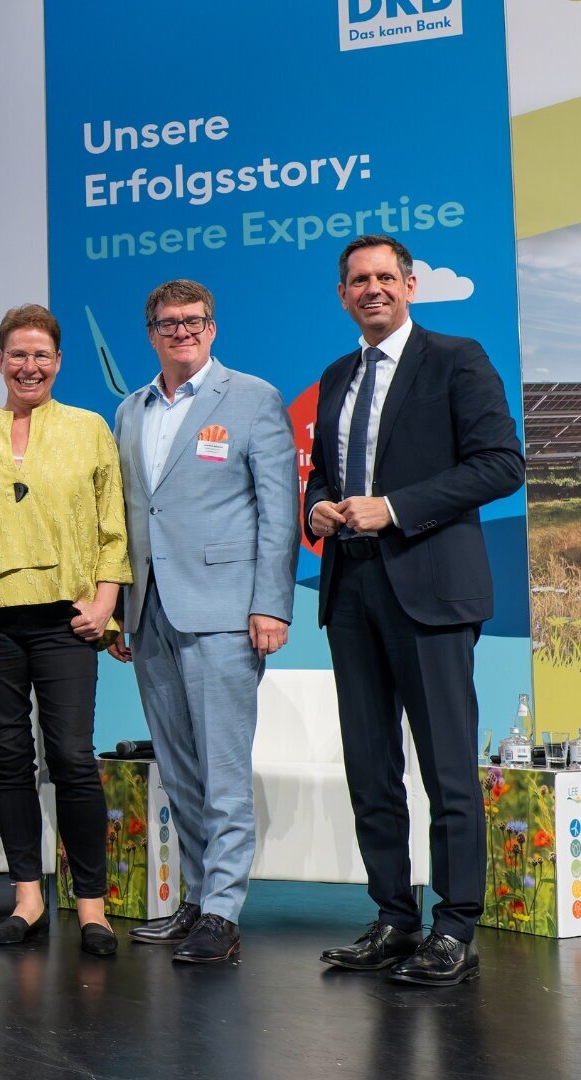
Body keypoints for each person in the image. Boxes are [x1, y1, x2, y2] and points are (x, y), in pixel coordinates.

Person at [306, 235, 524, 986]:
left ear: (409, 285)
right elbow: (324, 478)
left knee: (446, 773)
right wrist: (321, 511)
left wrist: (394, 509)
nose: (372, 289)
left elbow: (501, 463)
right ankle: (394, 917)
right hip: (351, 594)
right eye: (358, 280)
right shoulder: (337, 376)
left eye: (385, 278)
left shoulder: (457, 359)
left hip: (431, 593)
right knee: (371, 771)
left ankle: (454, 925)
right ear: (343, 295)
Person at [107, 280, 297, 964]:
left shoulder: (252, 398)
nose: (180, 330)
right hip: (149, 609)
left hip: (223, 609)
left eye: (192, 320)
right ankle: (195, 897)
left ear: (212, 327)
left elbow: (280, 509)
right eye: (167, 322)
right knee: (180, 769)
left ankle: (222, 909)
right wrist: (116, 608)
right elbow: (128, 515)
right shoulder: (130, 410)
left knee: (221, 767)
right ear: (151, 332)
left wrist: (272, 602)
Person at [0, 303, 131, 956]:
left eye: (41, 355)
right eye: (17, 354)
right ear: (0, 362)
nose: (29, 365)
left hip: (68, 621)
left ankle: (91, 908)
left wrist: (107, 601)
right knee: (9, 757)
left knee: (74, 758)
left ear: (58, 362)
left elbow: (113, 524)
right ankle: (27, 898)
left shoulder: (89, 429)